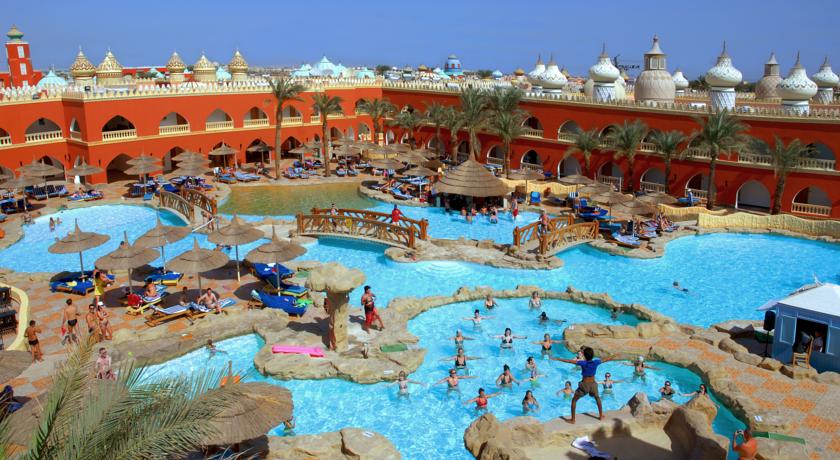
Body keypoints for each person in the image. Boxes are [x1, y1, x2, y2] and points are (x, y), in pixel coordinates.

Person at [551, 347, 615, 424]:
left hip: (584, 385)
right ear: (593, 355)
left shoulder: (583, 363)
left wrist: (557, 358)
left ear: (584, 355)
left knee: (574, 400)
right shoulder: (596, 362)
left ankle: (573, 420)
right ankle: (601, 416)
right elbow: (606, 359)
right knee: (597, 398)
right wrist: (614, 356)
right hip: (593, 385)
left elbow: (569, 361)